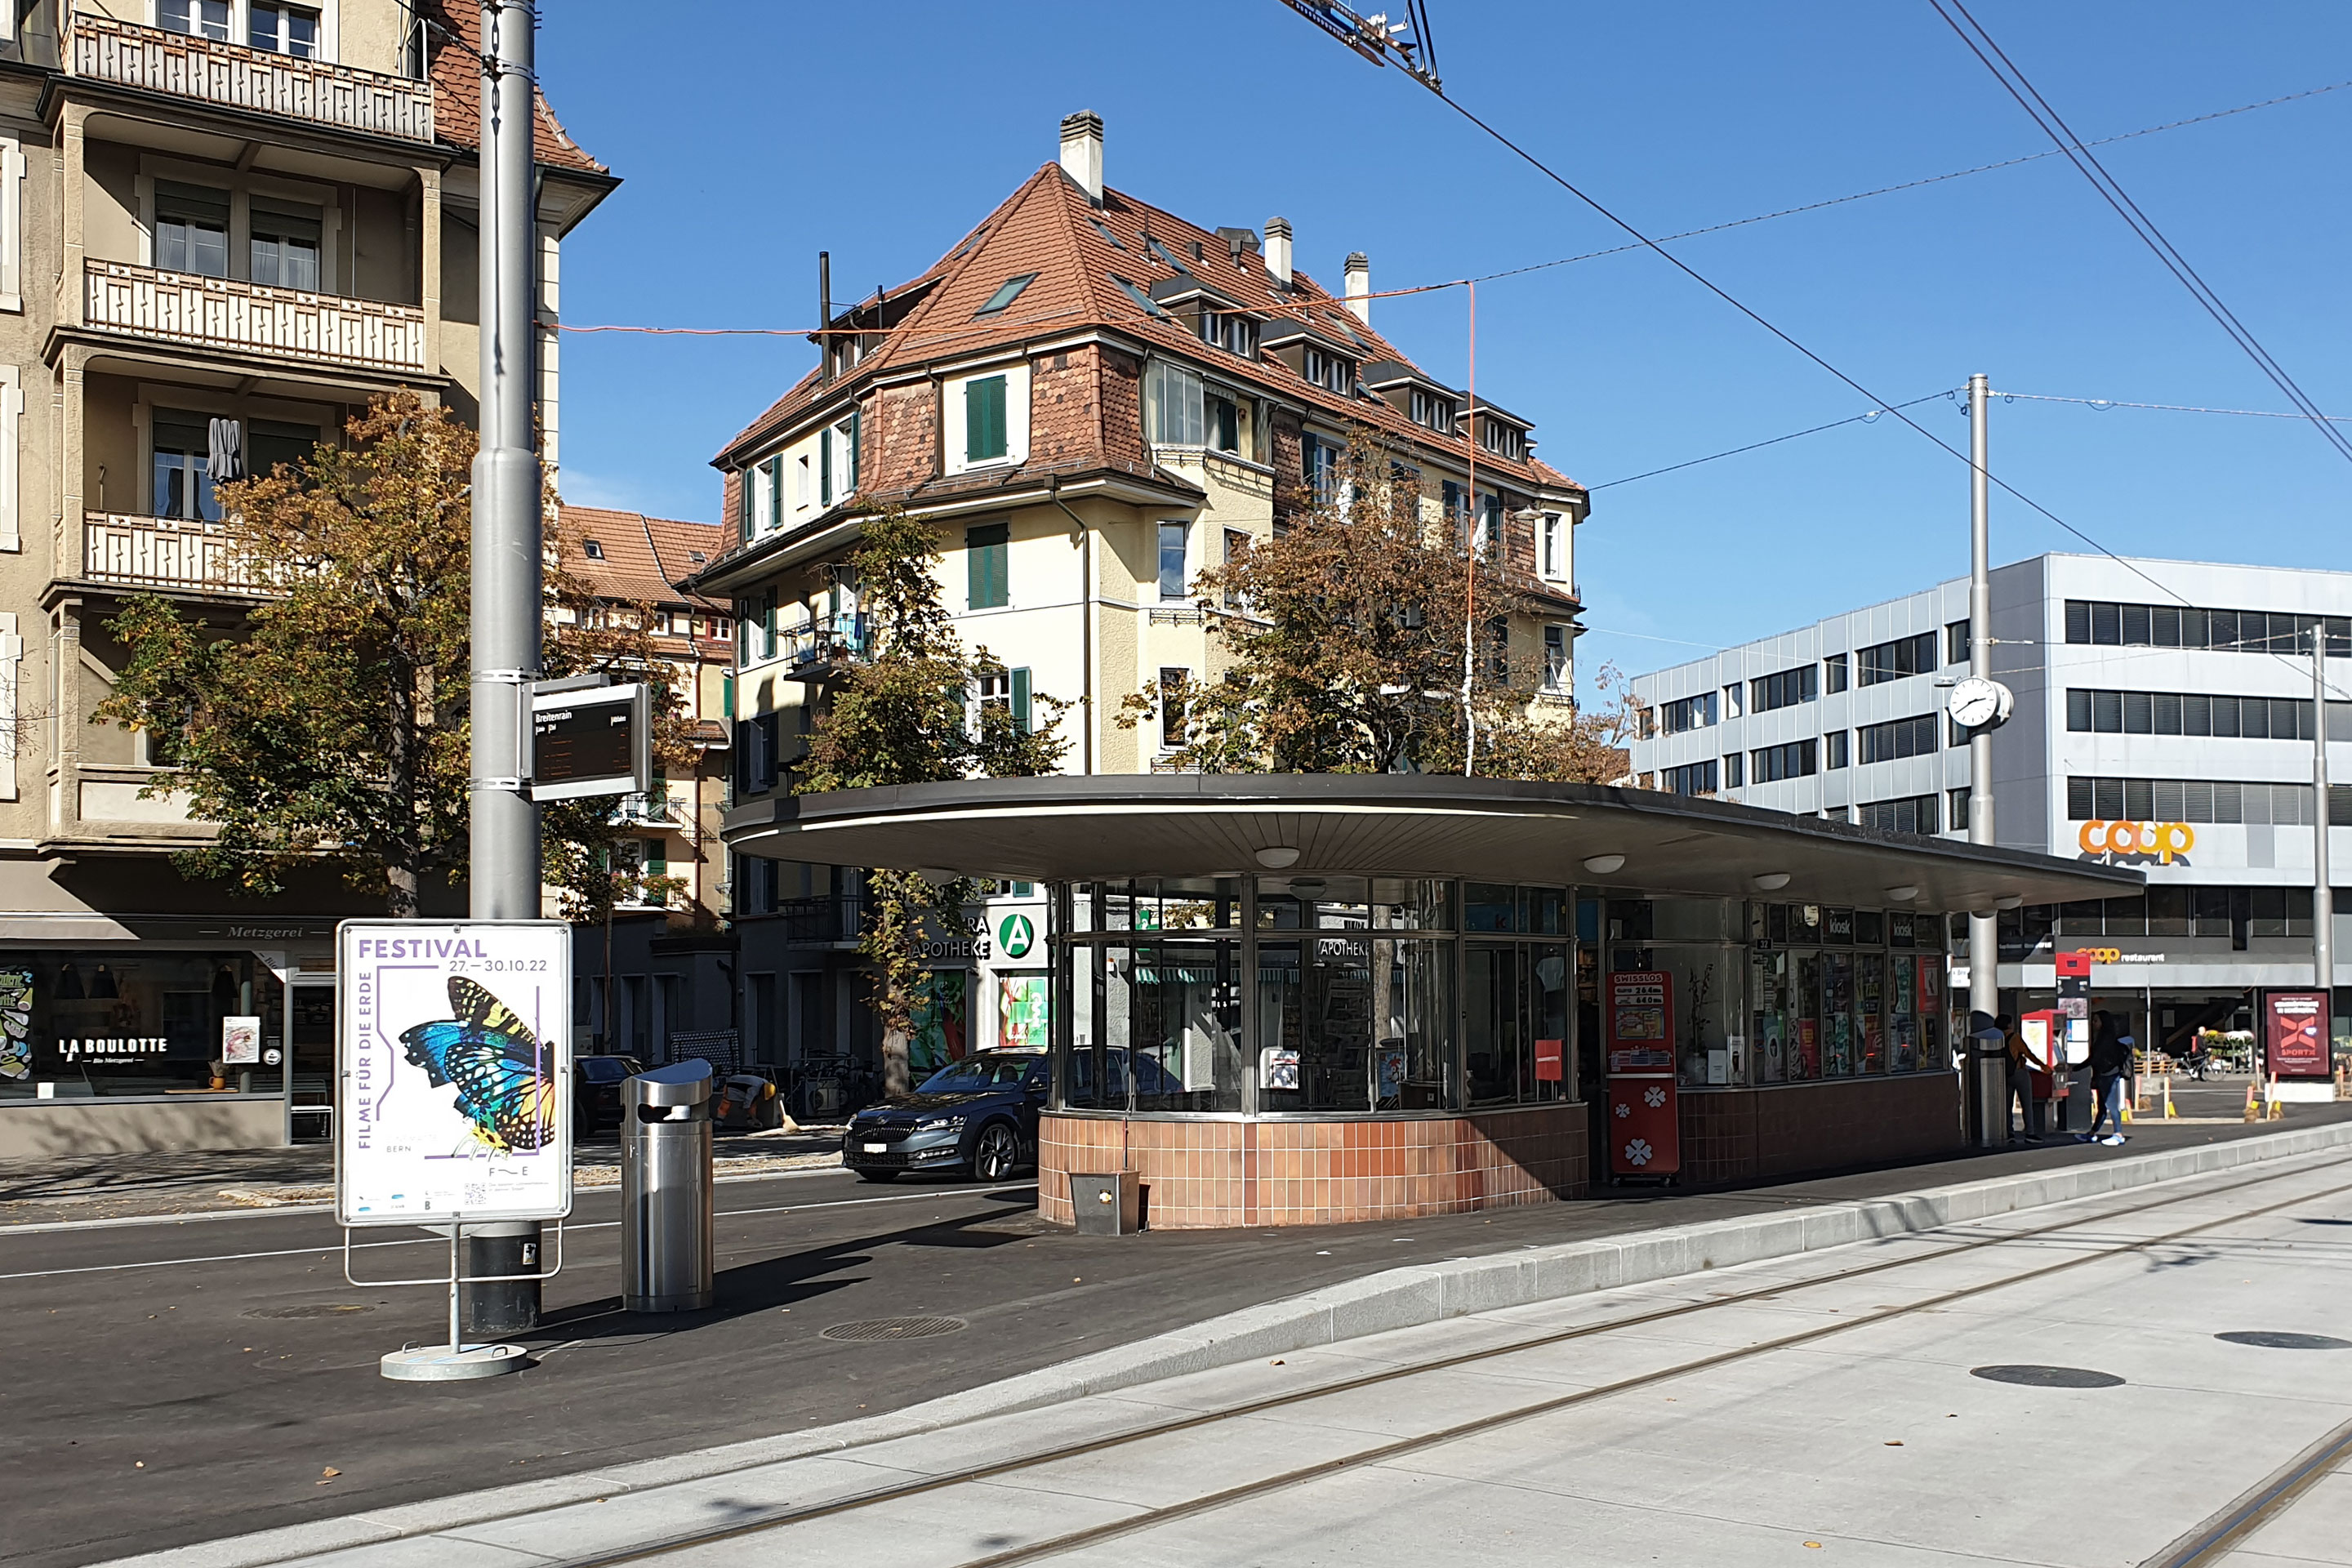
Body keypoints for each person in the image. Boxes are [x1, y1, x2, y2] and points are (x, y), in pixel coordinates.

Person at [2081, 1011, 2133, 1146]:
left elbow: (2095, 1059)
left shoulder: (2105, 1039)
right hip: (2105, 1074)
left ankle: (2118, 1134)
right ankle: (2092, 1133)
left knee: (2111, 1105)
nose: (2094, 1023)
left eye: (2096, 1021)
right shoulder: (2106, 1037)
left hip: (2108, 1075)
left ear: (2103, 1022)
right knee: (2102, 1106)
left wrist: (2076, 1068)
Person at [2002, 1013, 2042, 1142]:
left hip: (2004, 1073)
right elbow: (2028, 1054)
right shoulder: (2015, 1037)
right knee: (2026, 1103)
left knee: (2007, 1104)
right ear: (2009, 1024)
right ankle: (2030, 1133)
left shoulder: (1997, 1037)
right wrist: (2044, 1066)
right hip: (2019, 1072)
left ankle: (2009, 1133)